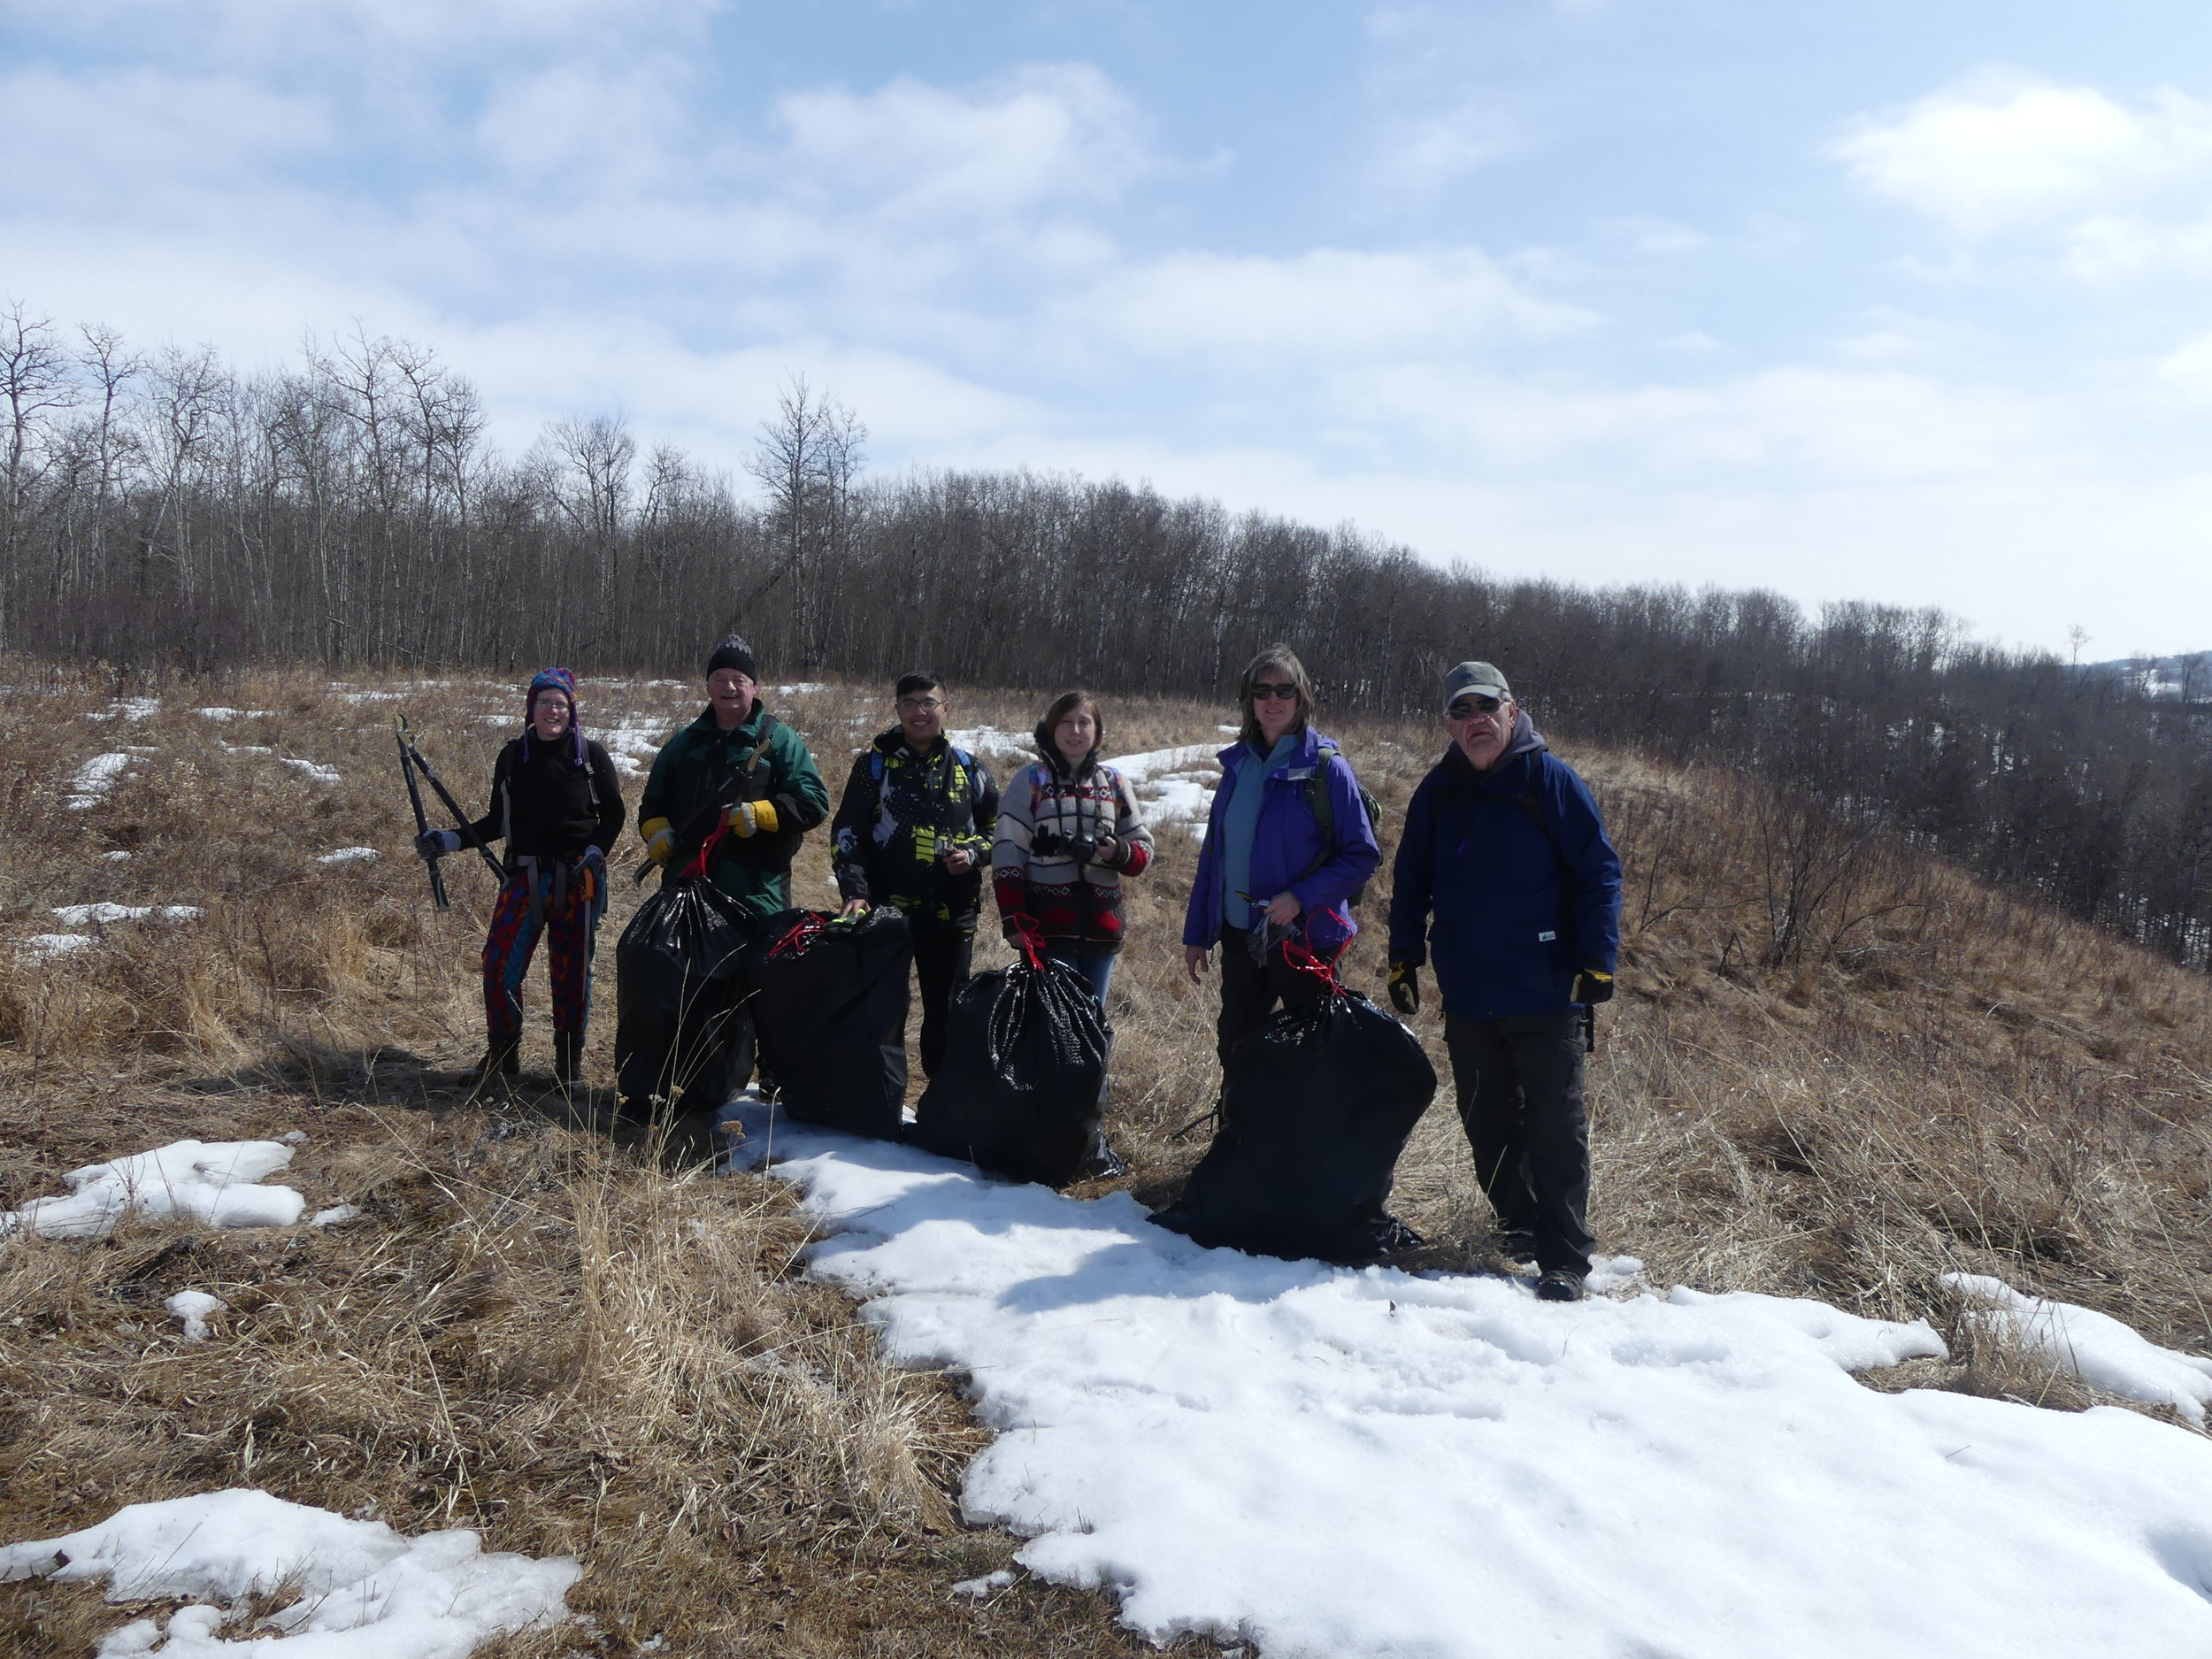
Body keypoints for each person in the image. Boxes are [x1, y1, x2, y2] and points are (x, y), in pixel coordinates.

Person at [1386, 661, 1622, 1303]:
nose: (1474, 721)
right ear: (1448, 724)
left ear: (1512, 711)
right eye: (1460, 712)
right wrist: (1403, 955)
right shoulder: (1439, 790)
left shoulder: (1549, 781)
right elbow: (1412, 879)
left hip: (1545, 989)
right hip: (1470, 989)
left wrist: (1597, 957)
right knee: (1484, 1118)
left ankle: (1565, 1255)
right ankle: (1518, 1223)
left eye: (1485, 707)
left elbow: (1598, 871)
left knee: (1555, 1123)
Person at [415, 667, 626, 1087]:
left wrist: (595, 852)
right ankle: (503, 1054)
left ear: (572, 710)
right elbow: (497, 821)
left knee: (572, 973)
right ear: (531, 709)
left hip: (577, 879)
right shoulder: (512, 756)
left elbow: (615, 814)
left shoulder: (590, 754)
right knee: (497, 965)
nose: (553, 710)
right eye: (545, 702)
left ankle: (568, 1065)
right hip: (523, 878)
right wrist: (449, 840)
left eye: (561, 704)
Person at [1183, 646, 1379, 1072]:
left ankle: (1309, 1141)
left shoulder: (1327, 769)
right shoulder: (1238, 765)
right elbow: (1216, 855)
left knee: (1312, 1056)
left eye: (1284, 690)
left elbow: (1362, 855)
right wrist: (1197, 932)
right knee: (1237, 1049)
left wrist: (1300, 898)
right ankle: (1240, 1137)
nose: (1273, 700)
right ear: (1249, 698)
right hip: (1241, 939)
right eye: (1263, 689)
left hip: (1306, 941)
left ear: (1301, 697)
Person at [831, 672, 1000, 1080]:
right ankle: (876, 1104)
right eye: (909, 703)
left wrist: (974, 853)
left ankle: (941, 1110)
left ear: (946, 708)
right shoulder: (872, 766)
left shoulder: (968, 768)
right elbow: (846, 831)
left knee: (946, 1014)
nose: (919, 712)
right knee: (880, 1009)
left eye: (928, 702)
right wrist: (854, 890)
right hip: (885, 909)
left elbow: (999, 833)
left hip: (951, 912)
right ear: (897, 710)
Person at [635, 635, 830, 918]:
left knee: (754, 963)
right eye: (720, 678)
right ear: (708, 687)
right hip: (687, 887)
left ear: (754, 687)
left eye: (738, 679)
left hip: (757, 893)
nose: (729, 687)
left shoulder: (778, 740)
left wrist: (760, 814)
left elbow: (813, 802)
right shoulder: (684, 743)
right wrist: (656, 830)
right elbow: (653, 801)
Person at [992, 689, 1155, 1006]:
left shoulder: (1114, 782)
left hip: (1102, 929)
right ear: (1052, 728)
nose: (1075, 731)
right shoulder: (1031, 779)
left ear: (1097, 732)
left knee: (1093, 1024)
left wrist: (1119, 851)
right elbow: (1007, 852)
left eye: (1084, 722)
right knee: (1055, 1028)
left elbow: (1143, 850)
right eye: (1066, 722)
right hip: (1047, 930)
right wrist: (1014, 918)